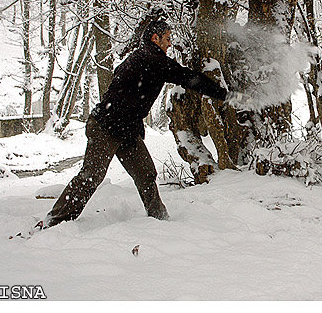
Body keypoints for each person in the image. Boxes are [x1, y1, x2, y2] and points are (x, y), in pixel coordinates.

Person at [37, 20, 248, 230]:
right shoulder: (153, 59)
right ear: (154, 38)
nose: (169, 44)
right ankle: (55, 221)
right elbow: (188, 77)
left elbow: (126, 83)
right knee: (92, 175)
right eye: (167, 39)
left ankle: (159, 219)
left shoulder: (142, 58)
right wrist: (223, 94)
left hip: (126, 130)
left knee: (146, 173)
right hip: (106, 126)